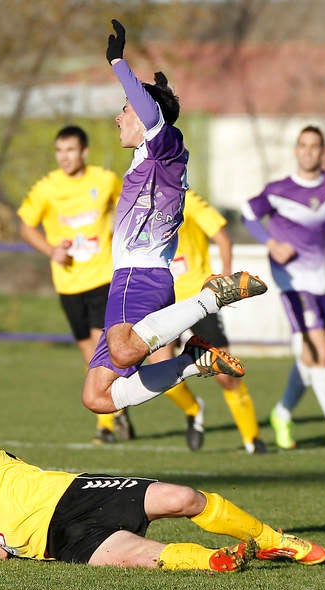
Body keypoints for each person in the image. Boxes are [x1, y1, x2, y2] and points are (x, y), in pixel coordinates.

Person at [81, 20, 268, 418]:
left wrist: (118, 63)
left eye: (124, 109)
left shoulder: (162, 146)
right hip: (129, 277)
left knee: (123, 348)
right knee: (97, 397)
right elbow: (151, 112)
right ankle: (192, 360)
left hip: (141, 274)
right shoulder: (157, 157)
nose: (118, 117)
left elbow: (150, 113)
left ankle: (211, 298)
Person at [0, 413, 325, 571]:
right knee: (145, 555)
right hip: (60, 541)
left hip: (73, 495)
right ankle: (218, 560)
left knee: (182, 497)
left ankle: (273, 541)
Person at [241, 125, 325, 451]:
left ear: (323, 152)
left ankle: (282, 413)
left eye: (314, 146)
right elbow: (248, 214)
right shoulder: (279, 190)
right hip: (292, 281)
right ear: (296, 150)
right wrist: (271, 243)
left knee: (309, 356)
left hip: (324, 279)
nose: (308, 151)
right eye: (303, 145)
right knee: (320, 351)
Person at [18, 125, 135, 445]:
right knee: (89, 353)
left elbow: (130, 204)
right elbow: (26, 226)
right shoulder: (46, 188)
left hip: (102, 278)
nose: (64, 157)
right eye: (59, 151)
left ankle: (106, 427)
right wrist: (51, 250)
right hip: (68, 284)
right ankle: (118, 408)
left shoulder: (104, 180)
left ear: (83, 152)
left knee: (101, 349)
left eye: (70, 150)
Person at [147, 190, 266, 454]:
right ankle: (194, 409)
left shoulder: (188, 200)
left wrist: (224, 279)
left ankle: (252, 439)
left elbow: (222, 238)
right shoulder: (140, 202)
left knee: (226, 372)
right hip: (162, 299)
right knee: (158, 374)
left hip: (199, 298)